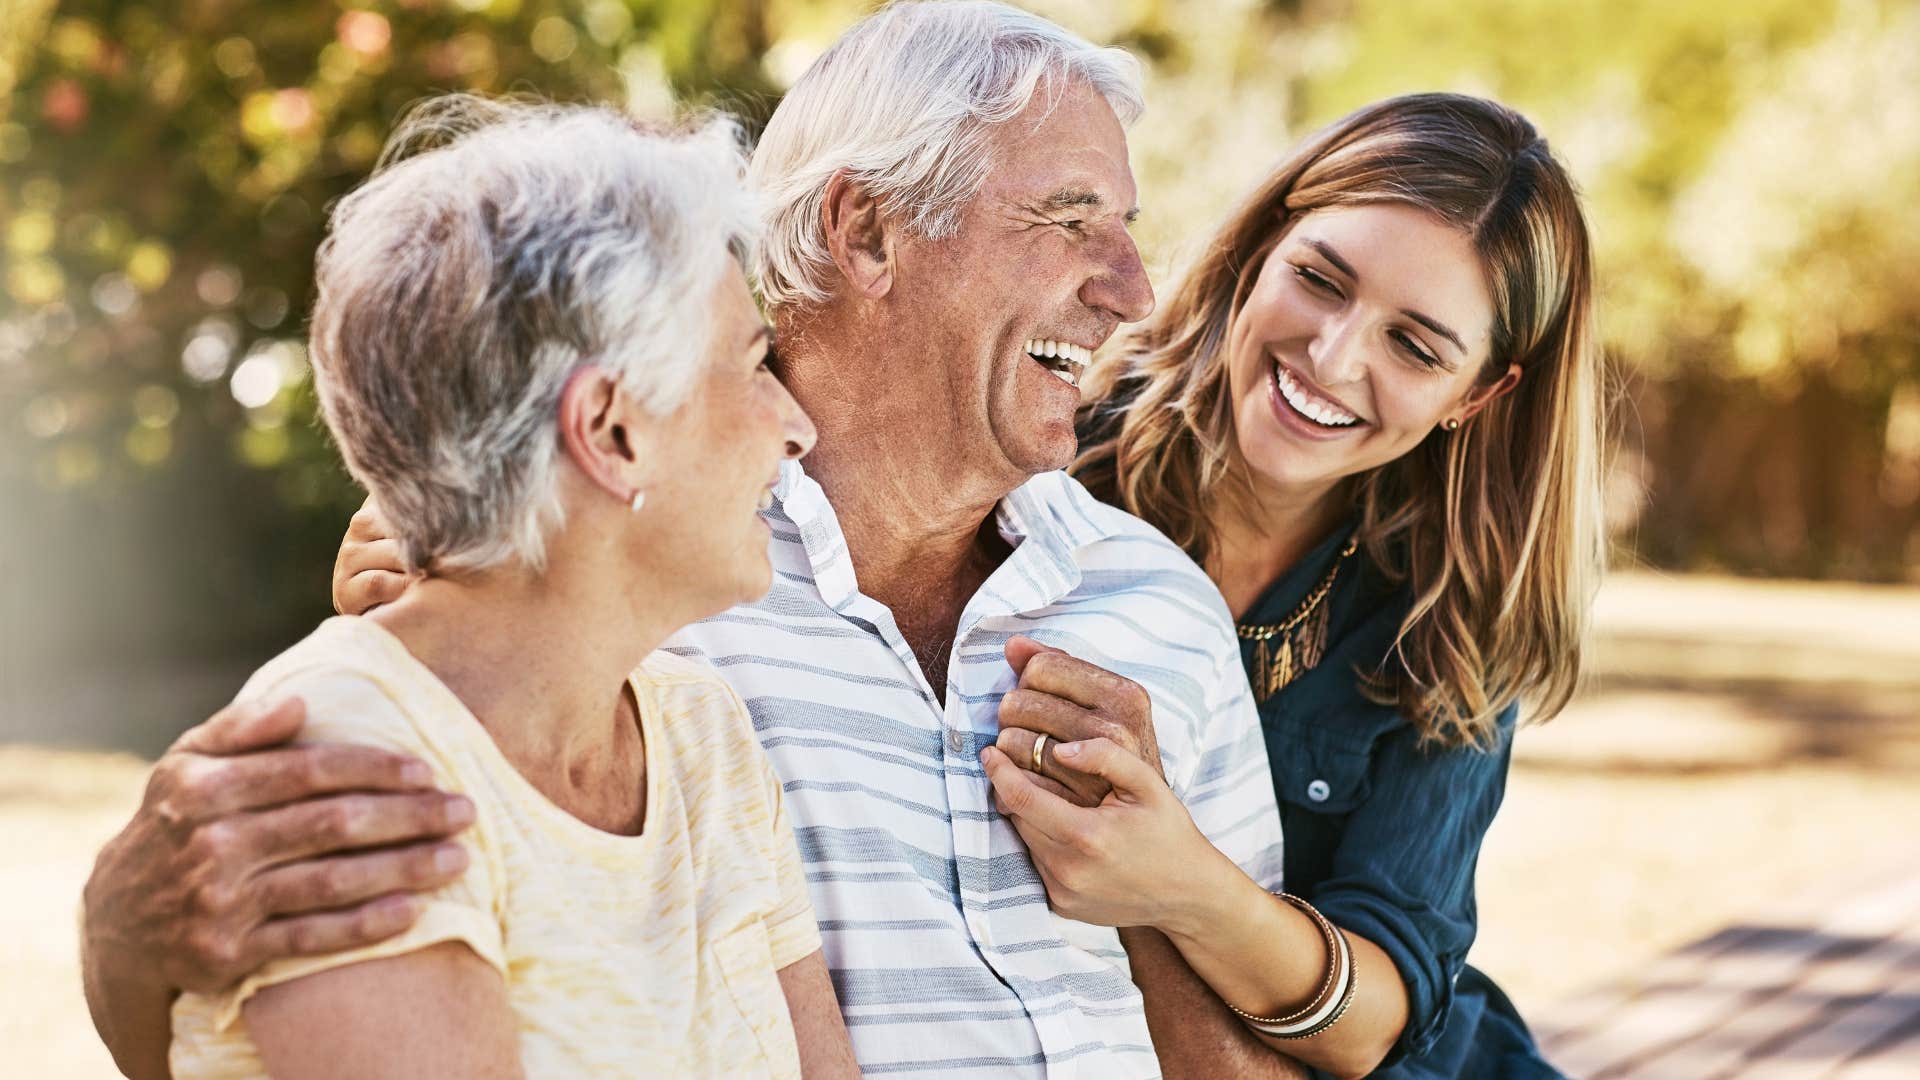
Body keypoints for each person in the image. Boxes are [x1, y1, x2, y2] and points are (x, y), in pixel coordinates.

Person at [82, 4, 1298, 1078]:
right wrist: (122, 936)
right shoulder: (560, 624)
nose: (1136, 288)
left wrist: (1168, 890)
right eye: (1069, 218)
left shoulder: (705, 729)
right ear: (867, 230)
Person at [121, 96, 859, 1079]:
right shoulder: (344, 764)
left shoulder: (702, 735)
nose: (795, 427)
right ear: (610, 431)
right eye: (756, 364)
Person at [982, 93, 1603, 1078]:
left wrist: (1179, 885)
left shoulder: (1452, 608)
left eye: (1415, 346)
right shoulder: (1047, 457)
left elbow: (1379, 1021)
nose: (1334, 355)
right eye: (1320, 279)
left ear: (1476, 395)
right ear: (1262, 247)